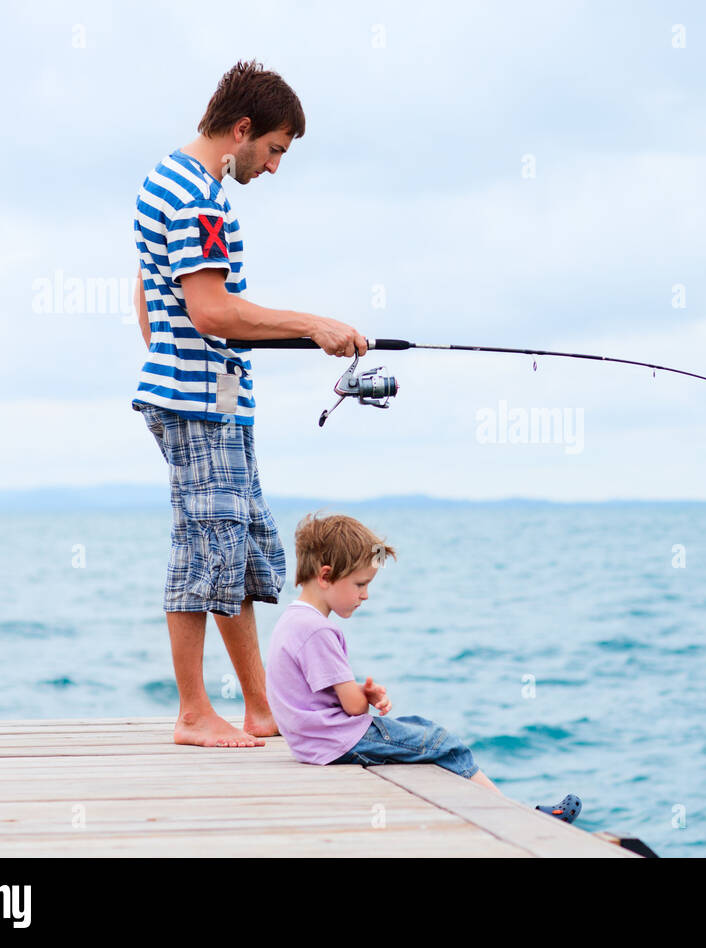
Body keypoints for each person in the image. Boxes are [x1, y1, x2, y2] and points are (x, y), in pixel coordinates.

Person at [131, 59, 367, 748]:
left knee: (230, 549)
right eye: (273, 150)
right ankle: (194, 714)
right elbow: (209, 309)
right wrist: (311, 324)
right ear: (242, 129)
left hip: (207, 396)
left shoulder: (164, 178)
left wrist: (204, 344)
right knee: (202, 552)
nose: (272, 168)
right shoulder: (199, 198)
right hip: (199, 404)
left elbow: (154, 308)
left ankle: (259, 707)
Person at [266, 512, 583, 823]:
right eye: (360, 584)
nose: (365, 595)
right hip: (335, 741)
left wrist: (360, 691)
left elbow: (315, 692)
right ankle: (515, 816)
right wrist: (366, 697)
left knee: (417, 727)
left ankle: (500, 810)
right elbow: (352, 708)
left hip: (311, 742)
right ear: (325, 576)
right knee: (441, 743)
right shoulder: (319, 630)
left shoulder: (292, 621)